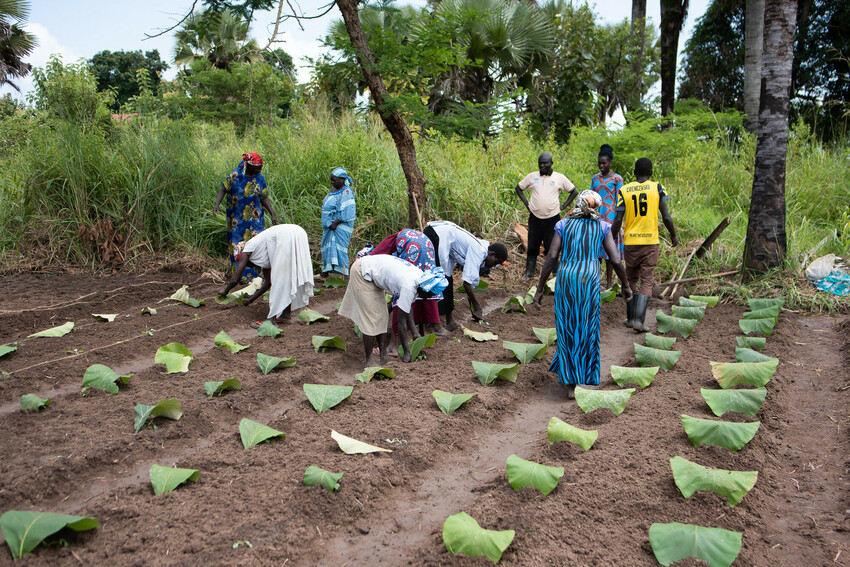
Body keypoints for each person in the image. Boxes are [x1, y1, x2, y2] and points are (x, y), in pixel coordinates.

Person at [533, 191, 631, 399]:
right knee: (587, 328)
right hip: (589, 282)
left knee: (567, 326)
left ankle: (569, 380)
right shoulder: (603, 227)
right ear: (597, 207)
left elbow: (551, 256)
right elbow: (615, 259)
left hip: (567, 280)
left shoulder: (564, 225)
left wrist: (540, 288)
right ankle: (580, 376)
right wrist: (625, 285)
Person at [339, 254, 448, 366]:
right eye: (429, 294)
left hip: (373, 273)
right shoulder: (410, 285)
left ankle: (383, 356)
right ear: (426, 288)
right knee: (371, 319)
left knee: (382, 316)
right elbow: (400, 322)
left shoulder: (421, 279)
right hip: (363, 272)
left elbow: (407, 306)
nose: (427, 298)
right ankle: (369, 360)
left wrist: (414, 332)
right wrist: (406, 352)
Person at [611, 157, 679, 333]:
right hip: (649, 242)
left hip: (631, 242)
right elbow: (666, 216)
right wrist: (673, 236)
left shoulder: (624, 190)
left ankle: (630, 318)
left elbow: (617, 219)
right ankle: (639, 321)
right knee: (647, 279)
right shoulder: (657, 188)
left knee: (631, 278)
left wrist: (610, 239)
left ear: (634, 173)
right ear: (650, 173)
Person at [218, 224, 314, 326]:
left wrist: (225, 290)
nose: (248, 265)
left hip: (285, 235)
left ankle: (270, 320)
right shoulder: (262, 251)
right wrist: (250, 300)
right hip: (298, 231)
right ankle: (285, 316)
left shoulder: (246, 250)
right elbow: (268, 282)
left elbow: (235, 279)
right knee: (286, 277)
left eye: (245, 263)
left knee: (279, 278)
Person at [423, 220, 508, 330]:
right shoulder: (479, 251)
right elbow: (467, 284)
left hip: (446, 243)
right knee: (438, 278)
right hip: (437, 235)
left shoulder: (482, 253)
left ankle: (449, 321)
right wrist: (478, 308)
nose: (492, 266)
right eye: (495, 262)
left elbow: (470, 285)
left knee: (447, 280)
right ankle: (434, 324)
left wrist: (474, 309)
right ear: (491, 254)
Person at [369, 228, 447, 344]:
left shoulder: (385, 253)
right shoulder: (385, 251)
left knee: (404, 295)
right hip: (423, 247)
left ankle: (394, 344)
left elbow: (403, 301)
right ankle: (404, 339)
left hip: (415, 248)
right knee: (411, 293)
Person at [213, 152, 277, 283]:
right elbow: (223, 189)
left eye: (260, 168)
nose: (259, 170)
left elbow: (264, 197)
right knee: (238, 248)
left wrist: (272, 214)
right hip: (237, 221)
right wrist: (216, 205)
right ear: (248, 165)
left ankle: (256, 278)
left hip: (255, 220)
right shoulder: (235, 175)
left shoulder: (260, 178)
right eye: (257, 168)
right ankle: (239, 278)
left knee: (257, 247)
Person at [514, 152, 578, 281]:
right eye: (540, 163)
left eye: (545, 163)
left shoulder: (560, 178)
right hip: (535, 218)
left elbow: (574, 191)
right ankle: (529, 274)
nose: (542, 165)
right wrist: (527, 203)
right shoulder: (532, 177)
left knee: (552, 247)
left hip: (552, 218)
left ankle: (555, 275)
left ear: (551, 163)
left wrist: (563, 207)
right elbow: (518, 188)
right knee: (532, 246)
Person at [592, 144, 625, 289]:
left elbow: (620, 201)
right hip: (597, 216)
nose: (601, 166)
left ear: (610, 163)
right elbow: (592, 197)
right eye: (599, 163)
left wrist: (618, 220)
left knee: (610, 252)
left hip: (611, 217)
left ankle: (610, 282)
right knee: (597, 251)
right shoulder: (595, 178)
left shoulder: (617, 179)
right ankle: (596, 280)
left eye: (604, 163)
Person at [321, 167, 356, 277]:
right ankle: (326, 272)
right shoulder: (334, 191)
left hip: (339, 226)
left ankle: (343, 274)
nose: (332, 182)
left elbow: (348, 211)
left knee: (340, 248)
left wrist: (335, 223)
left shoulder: (346, 191)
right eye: (331, 180)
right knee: (327, 247)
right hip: (330, 226)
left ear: (342, 179)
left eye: (335, 180)